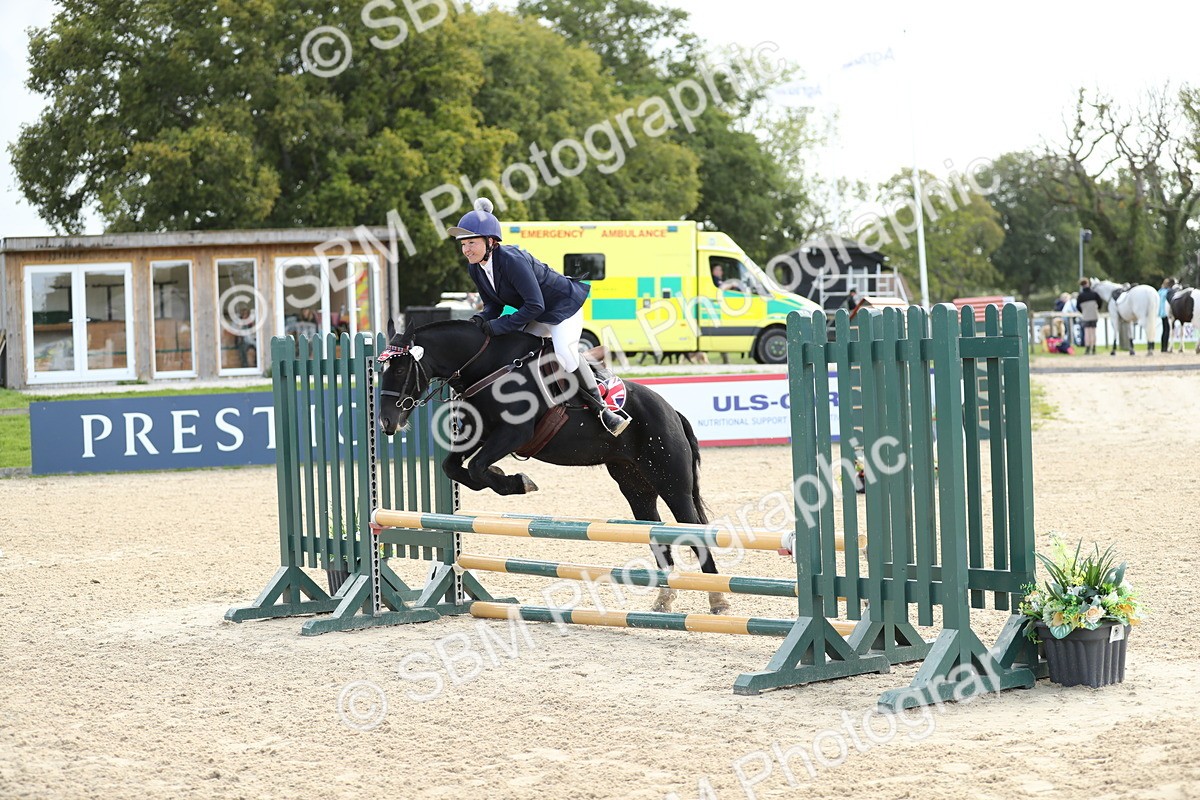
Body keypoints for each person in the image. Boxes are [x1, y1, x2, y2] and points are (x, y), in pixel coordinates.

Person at [447, 198, 629, 436]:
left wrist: (500, 326)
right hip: (538, 310)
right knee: (514, 354)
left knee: (565, 355)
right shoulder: (476, 266)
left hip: (563, 307)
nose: (466, 250)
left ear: (490, 241)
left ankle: (602, 409)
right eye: (463, 244)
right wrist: (480, 320)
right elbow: (492, 304)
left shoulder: (511, 260)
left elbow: (535, 305)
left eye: (471, 243)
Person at [1077, 278, 1101, 354]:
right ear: (1088, 284)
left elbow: (1077, 306)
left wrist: (1083, 311)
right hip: (1094, 314)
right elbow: (1100, 302)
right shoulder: (1094, 294)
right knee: (1093, 332)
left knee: (1087, 332)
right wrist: (1097, 309)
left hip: (1086, 315)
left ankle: (1087, 349)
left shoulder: (1080, 295)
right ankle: (1093, 348)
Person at [1158, 277, 1176, 353]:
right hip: (1167, 312)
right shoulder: (1169, 292)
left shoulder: (1160, 291)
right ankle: (1165, 347)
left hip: (1161, 312)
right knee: (1167, 330)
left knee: (1164, 330)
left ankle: (1163, 347)